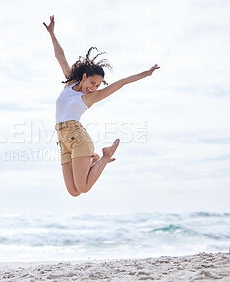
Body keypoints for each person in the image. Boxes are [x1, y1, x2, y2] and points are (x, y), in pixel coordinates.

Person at [43, 15, 160, 197]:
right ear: (83, 77)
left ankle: (104, 156)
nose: (94, 88)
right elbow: (60, 55)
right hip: (63, 140)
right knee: (74, 192)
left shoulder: (91, 97)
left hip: (77, 138)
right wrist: (52, 33)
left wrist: (147, 73)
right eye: (92, 82)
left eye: (98, 85)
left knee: (83, 188)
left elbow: (121, 83)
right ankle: (94, 158)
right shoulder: (70, 82)